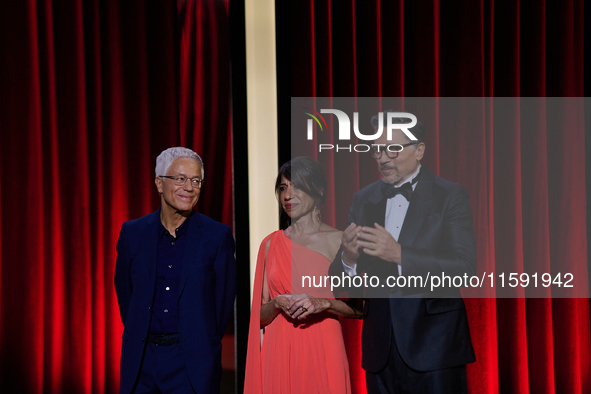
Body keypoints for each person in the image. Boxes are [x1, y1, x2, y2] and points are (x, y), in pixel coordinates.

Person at [329, 114, 477, 393]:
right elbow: (339, 283)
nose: (383, 158)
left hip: (435, 347)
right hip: (380, 349)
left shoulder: (450, 195)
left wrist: (399, 254)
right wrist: (347, 258)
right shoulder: (363, 198)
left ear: (419, 150)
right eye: (377, 150)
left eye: (392, 149)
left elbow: (464, 268)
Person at [114, 147, 236, 394]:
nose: (189, 188)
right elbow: (126, 295)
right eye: (180, 179)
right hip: (142, 361)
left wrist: (201, 340)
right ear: (159, 183)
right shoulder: (132, 233)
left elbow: (222, 306)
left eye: (196, 180)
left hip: (191, 363)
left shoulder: (216, 236)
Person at [244, 156, 362, 394]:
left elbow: (361, 308)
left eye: (297, 186)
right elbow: (259, 317)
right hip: (279, 348)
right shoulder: (269, 244)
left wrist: (323, 303)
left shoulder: (340, 241)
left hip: (323, 342)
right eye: (283, 188)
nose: (288, 195)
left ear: (318, 191)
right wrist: (277, 303)